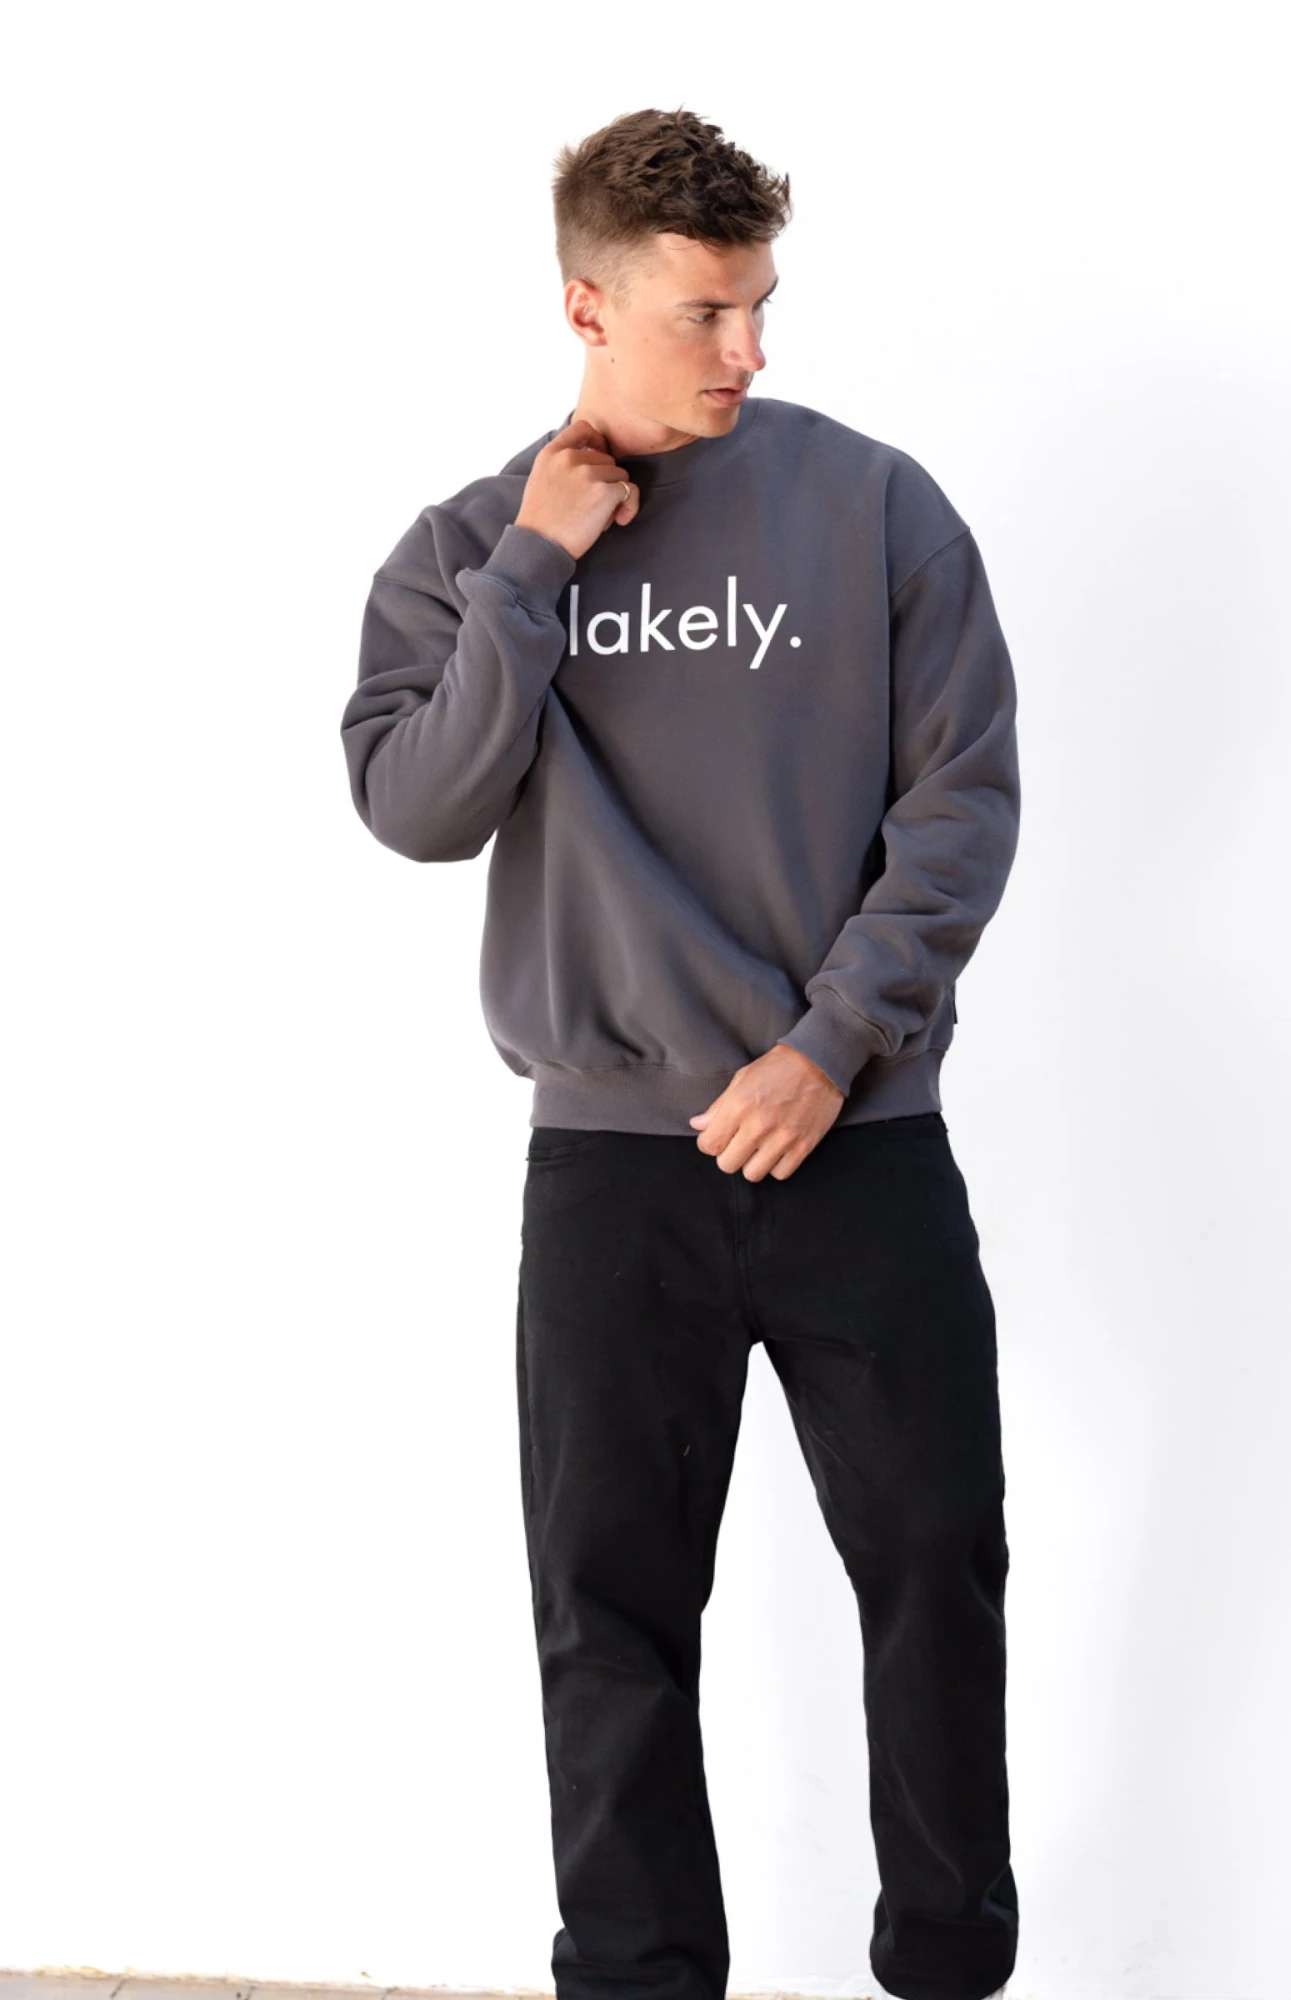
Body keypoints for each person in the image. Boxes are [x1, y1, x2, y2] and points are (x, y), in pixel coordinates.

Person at [340, 104, 1020, 2000]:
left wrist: (832, 1048)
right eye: (706, 313)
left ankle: (948, 1967)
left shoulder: (875, 508)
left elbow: (962, 803)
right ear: (588, 305)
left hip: (855, 1140)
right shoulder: (469, 547)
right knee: (609, 1615)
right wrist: (532, 573)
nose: (748, 350)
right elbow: (416, 804)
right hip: (616, 1167)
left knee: (937, 1569)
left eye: (762, 304)